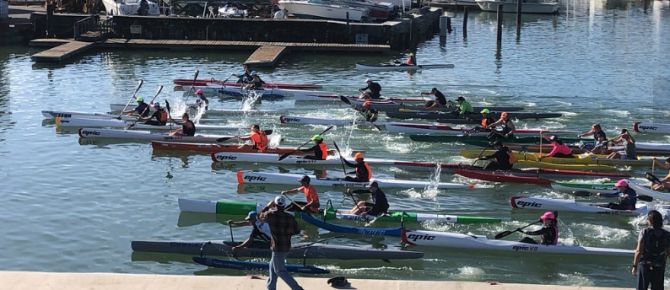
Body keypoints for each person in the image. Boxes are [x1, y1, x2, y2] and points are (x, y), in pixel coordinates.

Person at [258, 195, 303, 290]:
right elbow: (297, 231)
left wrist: (267, 206)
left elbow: (260, 216)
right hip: (286, 246)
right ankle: (271, 287)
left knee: (279, 270)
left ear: (275, 204)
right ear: (284, 205)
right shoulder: (290, 217)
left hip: (277, 248)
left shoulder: (270, 215)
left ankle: (297, 288)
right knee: (272, 265)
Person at [632, 210, 670, 290]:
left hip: (645, 265)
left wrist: (634, 266)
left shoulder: (644, 232)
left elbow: (639, 251)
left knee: (641, 288)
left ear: (650, 221)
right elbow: (668, 252)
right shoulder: (667, 234)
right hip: (659, 265)